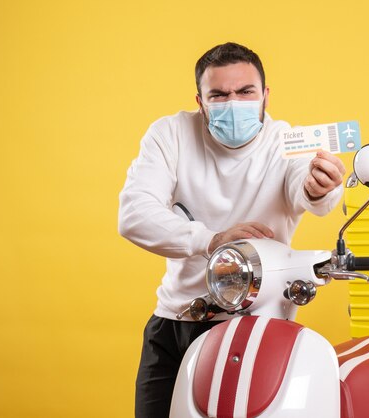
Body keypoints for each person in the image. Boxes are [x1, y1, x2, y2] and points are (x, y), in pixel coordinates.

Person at [118, 42, 346, 418]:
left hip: (252, 328)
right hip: (174, 321)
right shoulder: (170, 134)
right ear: (200, 99)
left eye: (245, 92)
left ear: (265, 96)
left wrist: (318, 186)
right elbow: (134, 214)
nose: (233, 103)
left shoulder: (287, 142)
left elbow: (306, 186)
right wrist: (213, 240)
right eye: (219, 95)